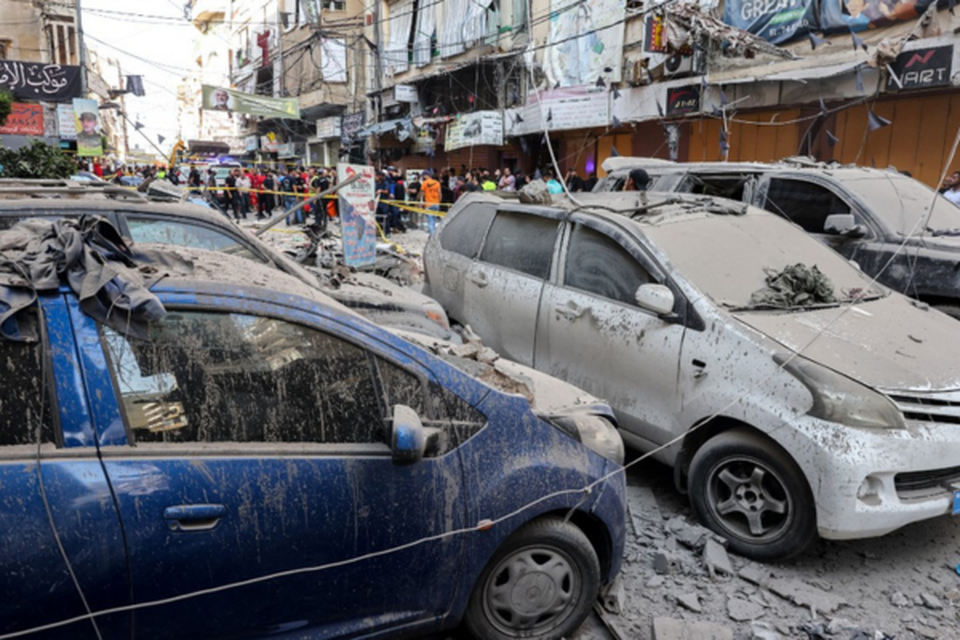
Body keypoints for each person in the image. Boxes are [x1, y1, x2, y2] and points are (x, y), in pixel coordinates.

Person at [420, 169, 442, 235]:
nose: (423, 177)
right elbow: (440, 193)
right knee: (434, 221)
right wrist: (439, 202)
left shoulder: (425, 183)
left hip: (428, 204)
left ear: (426, 175)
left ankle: (432, 237)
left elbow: (421, 193)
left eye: (423, 176)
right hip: (436, 204)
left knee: (430, 221)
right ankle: (433, 235)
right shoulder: (437, 183)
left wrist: (418, 200)